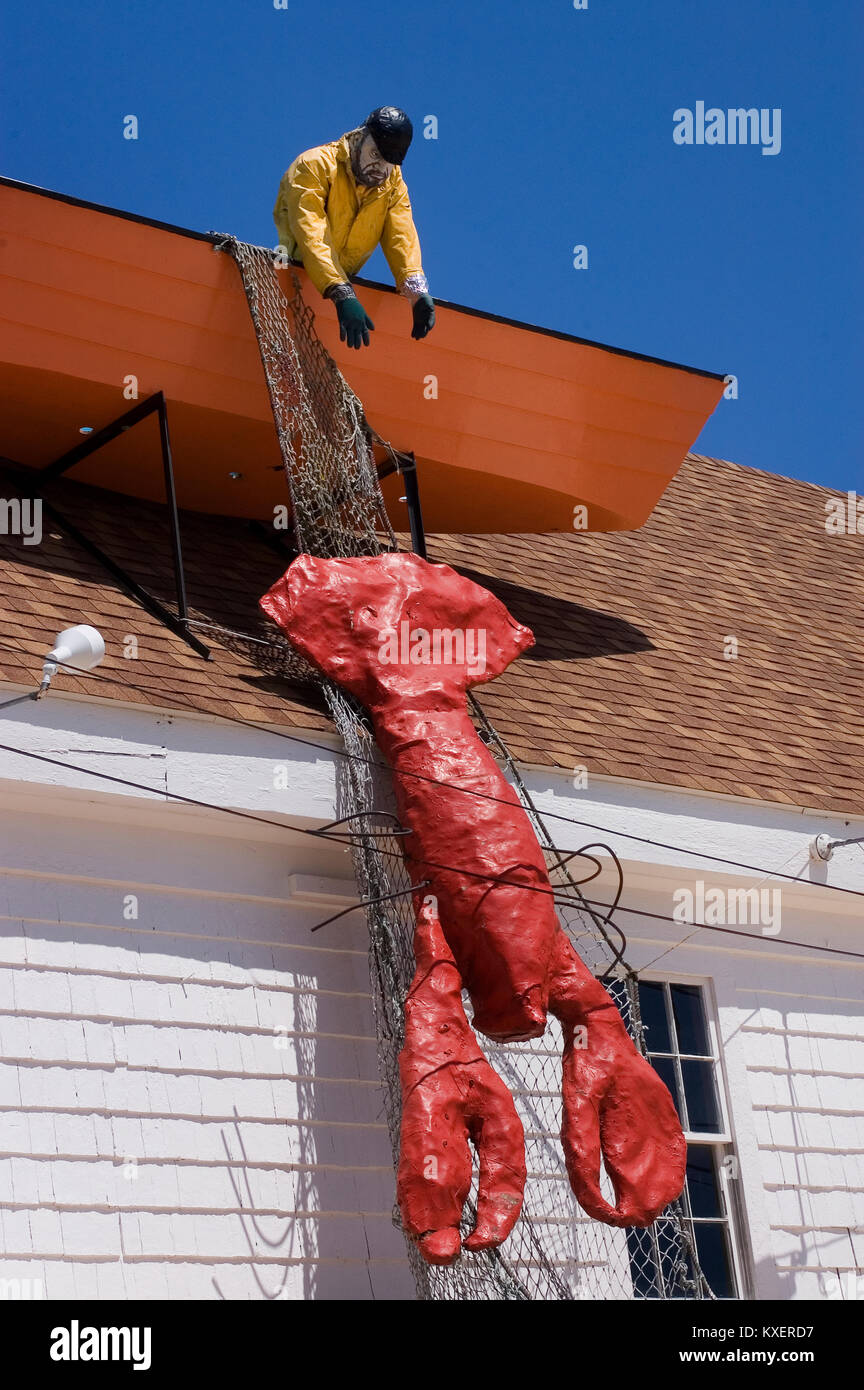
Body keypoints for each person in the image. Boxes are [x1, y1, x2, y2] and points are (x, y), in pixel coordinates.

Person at [273, 107, 435, 350]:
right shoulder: (314, 165)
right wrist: (340, 292)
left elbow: (401, 235)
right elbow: (311, 233)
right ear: (359, 137)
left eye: (389, 162)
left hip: (339, 293)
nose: (380, 168)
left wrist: (416, 293)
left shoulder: (392, 184)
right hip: (293, 275)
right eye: (375, 154)